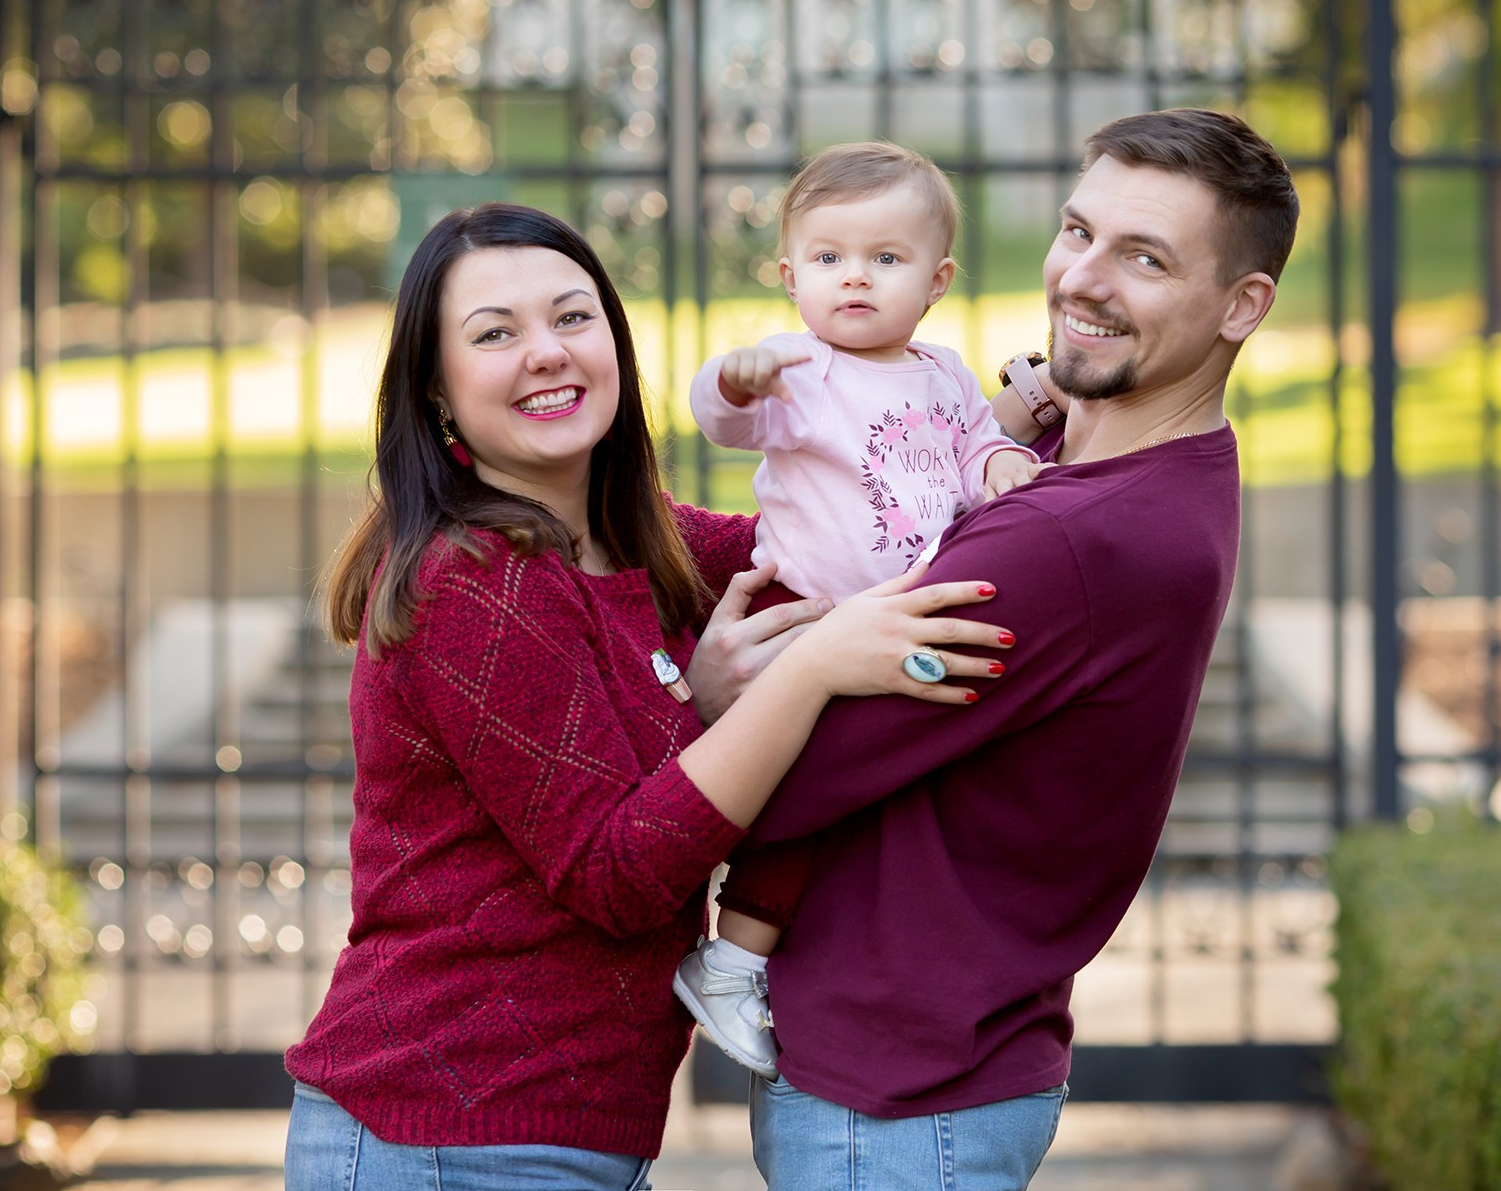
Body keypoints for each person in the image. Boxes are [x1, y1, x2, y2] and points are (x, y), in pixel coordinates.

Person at [278, 203, 1017, 1190]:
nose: (545, 352)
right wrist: (779, 682)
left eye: (572, 318)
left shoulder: (636, 540)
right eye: (494, 333)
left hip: (551, 1134)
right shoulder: (471, 580)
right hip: (447, 1133)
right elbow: (615, 874)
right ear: (437, 392)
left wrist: (1010, 431)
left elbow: (848, 551)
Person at [726, 108, 1299, 1190]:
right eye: (1076, 231)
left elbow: (774, 781)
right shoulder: (1071, 461)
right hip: (936, 1072)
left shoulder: (1070, 540)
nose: (1081, 279)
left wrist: (715, 682)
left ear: (1240, 304)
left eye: (1142, 257)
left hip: (893, 1109)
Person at [675, 141, 1040, 1077]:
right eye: (830, 260)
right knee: (808, 786)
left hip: (893, 618)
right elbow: (720, 417)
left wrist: (996, 461)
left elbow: (968, 451)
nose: (855, 280)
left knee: (874, 799)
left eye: (886, 259)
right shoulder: (800, 372)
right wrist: (735, 380)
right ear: (792, 276)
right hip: (812, 613)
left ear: (937, 279)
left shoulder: (947, 374)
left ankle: (819, 954)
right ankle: (731, 958)